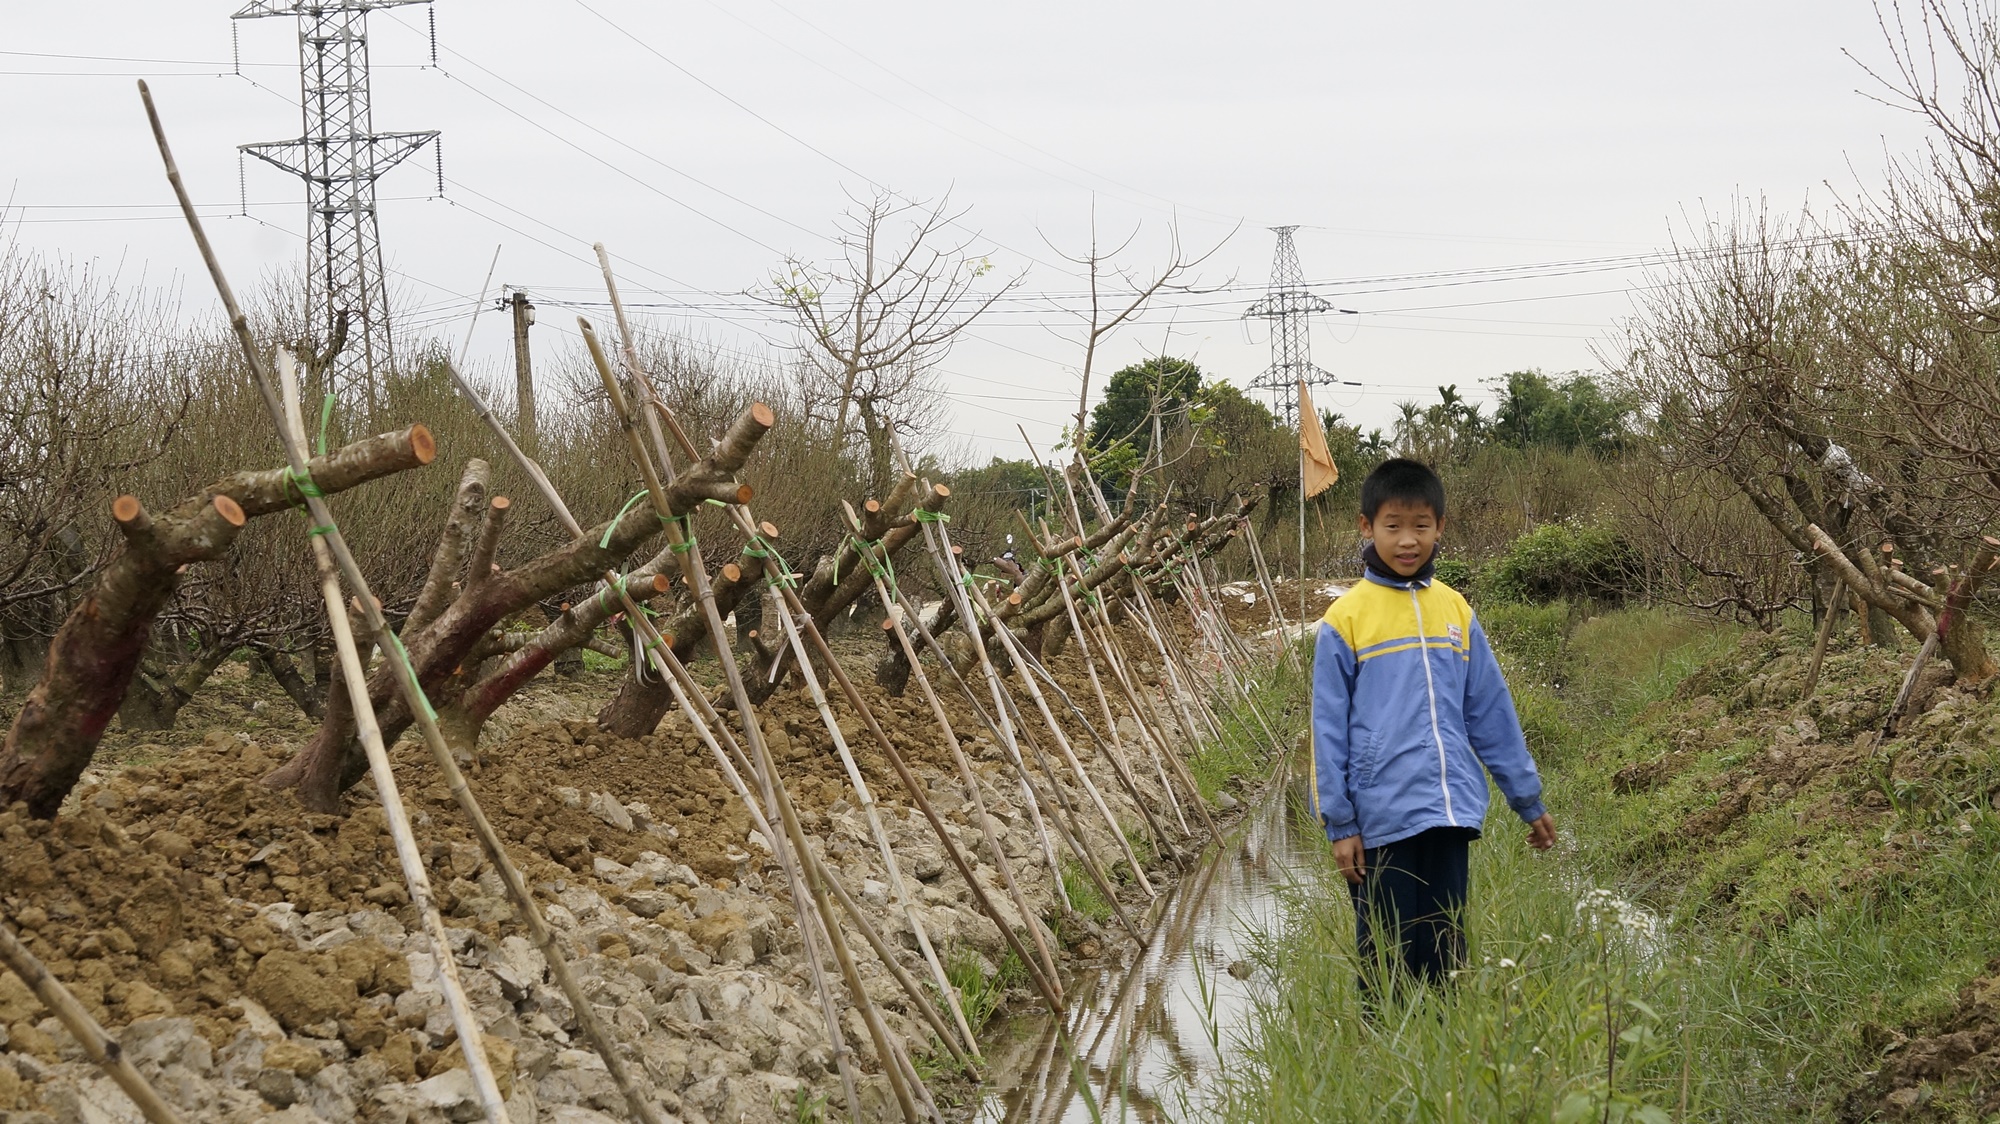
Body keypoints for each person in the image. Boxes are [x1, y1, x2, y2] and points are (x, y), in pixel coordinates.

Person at [1311, 457, 1556, 995]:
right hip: (1381, 819)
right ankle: (1380, 1064)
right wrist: (1340, 824)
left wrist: (1527, 800)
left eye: (1421, 526)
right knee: (1386, 956)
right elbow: (1326, 731)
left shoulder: (1456, 612)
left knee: (1444, 950)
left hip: (1450, 812)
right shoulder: (1345, 620)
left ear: (1440, 528)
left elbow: (1489, 711)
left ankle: (1440, 1057)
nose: (1407, 541)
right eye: (1392, 526)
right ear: (1366, 527)